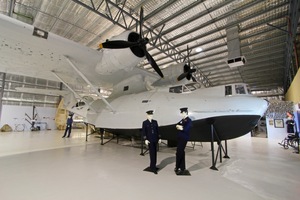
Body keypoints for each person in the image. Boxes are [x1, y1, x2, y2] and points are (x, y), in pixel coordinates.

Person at [142, 110, 161, 174]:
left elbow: (157, 130)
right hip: (150, 140)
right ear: (147, 116)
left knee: (155, 153)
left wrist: (159, 138)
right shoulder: (145, 123)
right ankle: (153, 167)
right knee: (152, 153)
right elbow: (144, 132)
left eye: (152, 115)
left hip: (155, 139)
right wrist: (145, 139)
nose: (151, 116)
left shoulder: (155, 122)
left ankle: (153, 165)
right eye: (150, 115)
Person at [175, 107, 192, 175]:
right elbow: (176, 125)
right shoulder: (183, 120)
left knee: (179, 152)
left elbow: (185, 129)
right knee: (181, 152)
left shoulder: (189, 120)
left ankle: (178, 167)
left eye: (182, 113)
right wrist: (180, 127)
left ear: (185, 113)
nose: (181, 114)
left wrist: (180, 127)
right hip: (180, 138)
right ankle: (182, 167)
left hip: (184, 138)